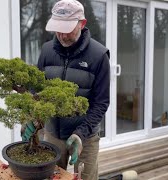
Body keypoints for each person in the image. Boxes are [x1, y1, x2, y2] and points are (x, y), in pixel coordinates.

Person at [22, 0, 110, 179]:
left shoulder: (99, 56)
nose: (62, 35)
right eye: (57, 28)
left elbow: (101, 102)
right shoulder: (47, 50)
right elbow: (36, 90)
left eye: (67, 29)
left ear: (82, 23)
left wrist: (81, 133)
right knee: (51, 176)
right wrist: (30, 117)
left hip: (85, 136)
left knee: (85, 177)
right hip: (53, 132)